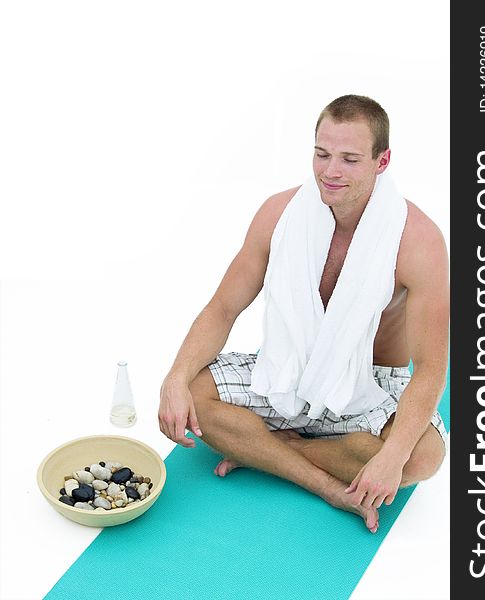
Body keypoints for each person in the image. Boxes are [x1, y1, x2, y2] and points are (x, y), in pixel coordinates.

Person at [158, 94, 449, 533]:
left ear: (382, 161)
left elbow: (430, 367)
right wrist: (175, 377)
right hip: (288, 370)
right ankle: (324, 483)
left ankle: (263, 450)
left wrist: (391, 456)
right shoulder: (279, 214)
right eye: (322, 154)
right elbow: (223, 308)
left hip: (370, 382)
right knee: (194, 395)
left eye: (350, 159)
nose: (330, 172)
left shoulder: (418, 242)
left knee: (423, 456)